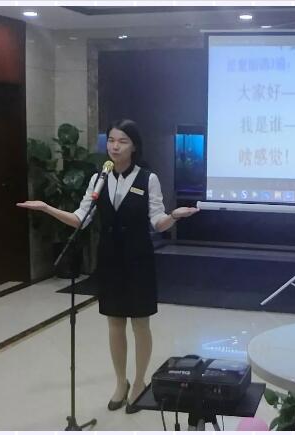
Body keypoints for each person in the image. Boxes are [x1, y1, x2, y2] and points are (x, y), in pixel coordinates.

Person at [17, 119, 198, 413]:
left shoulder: (147, 178)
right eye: (111, 140)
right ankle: (120, 382)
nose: (115, 146)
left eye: (122, 141)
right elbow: (80, 218)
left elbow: (157, 221)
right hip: (110, 258)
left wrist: (174, 216)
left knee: (140, 323)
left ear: (134, 146)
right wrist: (47, 208)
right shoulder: (99, 179)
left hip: (138, 259)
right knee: (114, 322)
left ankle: (139, 382)